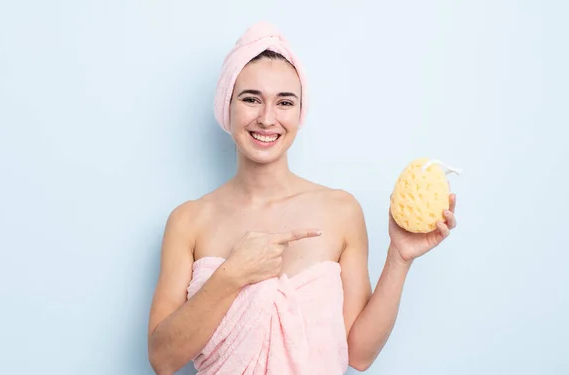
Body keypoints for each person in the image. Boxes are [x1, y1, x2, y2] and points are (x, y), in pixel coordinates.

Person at [147, 21, 457, 375]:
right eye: (251, 99)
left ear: (299, 113)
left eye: (284, 102)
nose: (266, 119)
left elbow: (359, 355)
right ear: (226, 105)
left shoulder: (340, 211)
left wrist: (399, 258)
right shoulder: (188, 221)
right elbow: (162, 359)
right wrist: (232, 274)